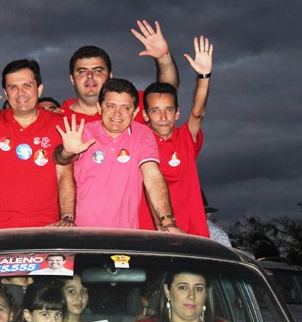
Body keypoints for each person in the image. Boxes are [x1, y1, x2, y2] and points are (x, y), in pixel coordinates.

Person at [0, 60, 76, 231]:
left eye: (27, 86)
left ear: (39, 89)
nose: (20, 93)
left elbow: (64, 174)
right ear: (6, 93)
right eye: (13, 87)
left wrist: (67, 217)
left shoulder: (59, 123)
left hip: (46, 226)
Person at [54, 78, 182, 231]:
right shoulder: (82, 132)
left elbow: (153, 176)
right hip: (82, 233)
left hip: (125, 235)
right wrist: (67, 152)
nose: (117, 113)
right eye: (110, 106)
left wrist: (167, 222)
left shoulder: (142, 134)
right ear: (99, 108)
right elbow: (60, 159)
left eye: (125, 108)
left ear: (135, 112)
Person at [137, 36, 213, 237]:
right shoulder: (137, 141)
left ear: (177, 113)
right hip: (146, 236)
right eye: (155, 111)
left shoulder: (186, 138)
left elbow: (198, 112)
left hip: (190, 236)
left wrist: (204, 76)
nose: (163, 117)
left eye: (169, 110)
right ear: (145, 115)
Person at [59, 20, 179, 124]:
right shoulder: (57, 118)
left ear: (110, 77)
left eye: (98, 71)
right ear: (72, 79)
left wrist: (163, 58)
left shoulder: (132, 103)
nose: (90, 76)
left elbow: (167, 90)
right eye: (82, 72)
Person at [124, 269, 248, 322]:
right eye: (183, 287)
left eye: (198, 288)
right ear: (167, 291)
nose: (191, 295)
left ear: (206, 294)